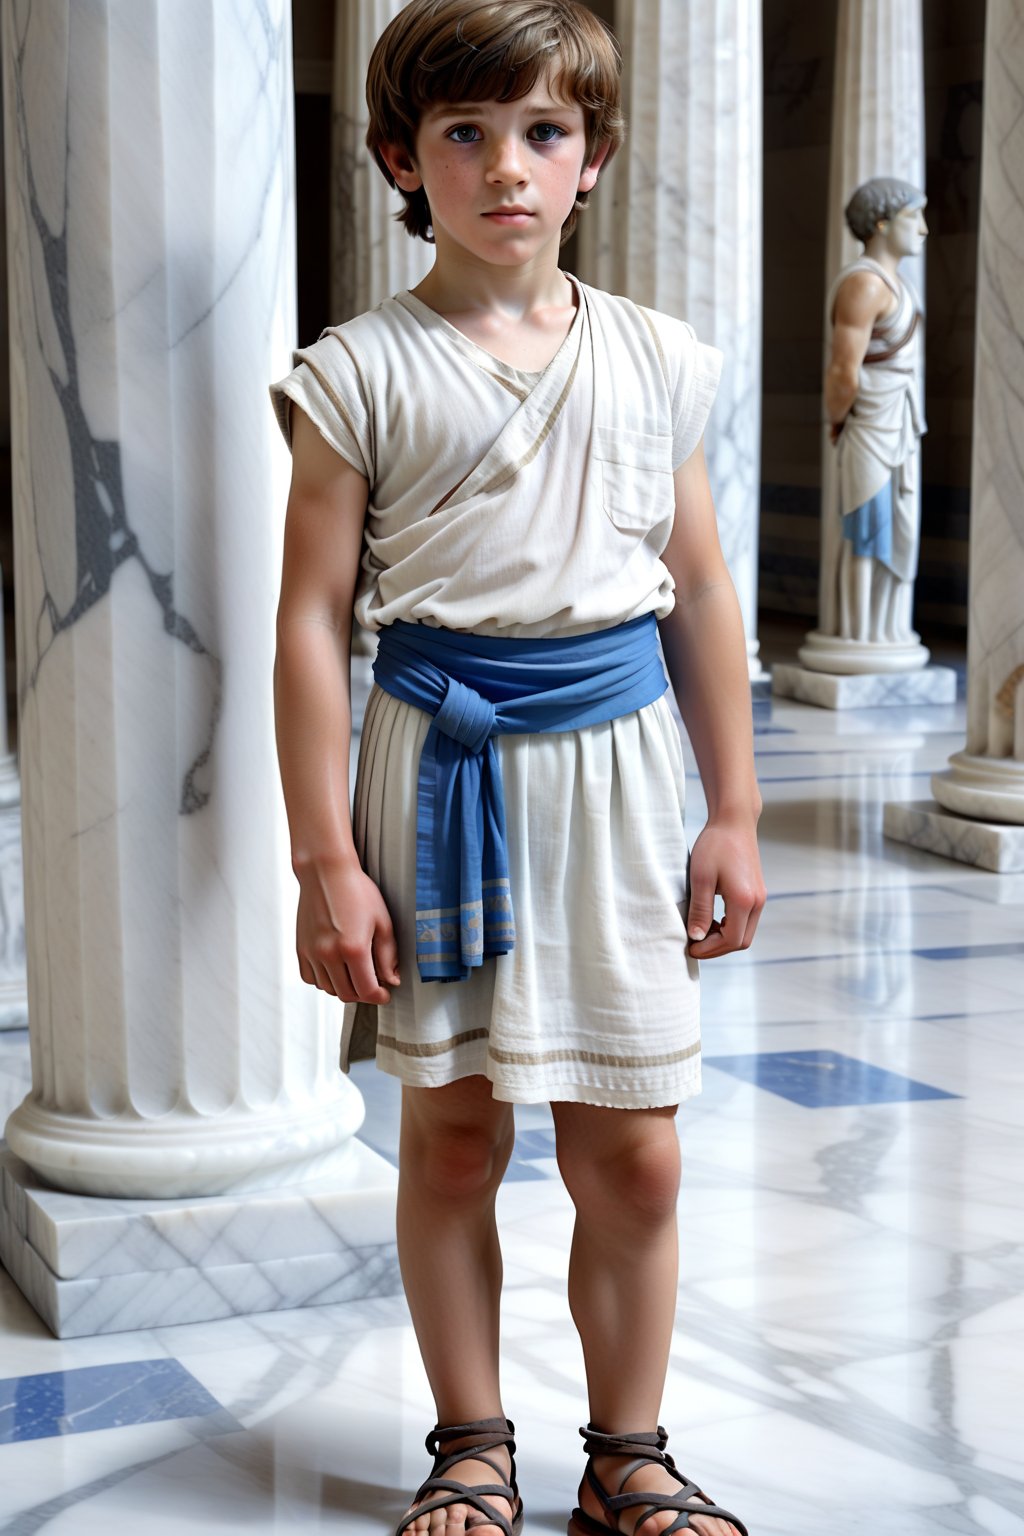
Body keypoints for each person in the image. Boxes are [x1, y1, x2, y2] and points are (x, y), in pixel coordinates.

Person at [270, 3, 765, 1533]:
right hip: (437, 776)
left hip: (616, 785)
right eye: (465, 135)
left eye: (543, 133)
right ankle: (469, 1444)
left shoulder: (655, 360)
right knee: (458, 1128)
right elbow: (305, 620)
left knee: (637, 1155)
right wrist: (325, 859)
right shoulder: (359, 372)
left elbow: (702, 594)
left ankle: (629, 1455)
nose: (507, 168)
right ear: (400, 160)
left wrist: (736, 809)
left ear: (595, 159)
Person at [823, 178, 928, 646]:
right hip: (869, 426)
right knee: (866, 532)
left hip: (900, 423)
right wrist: (838, 419)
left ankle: (886, 630)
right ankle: (856, 634)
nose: (924, 229)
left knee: (898, 530)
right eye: (914, 217)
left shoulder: (896, 284)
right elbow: (845, 370)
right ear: (882, 224)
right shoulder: (864, 284)